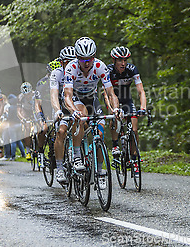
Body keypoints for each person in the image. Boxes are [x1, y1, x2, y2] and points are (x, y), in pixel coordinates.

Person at [62, 37, 123, 188]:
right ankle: (76, 156)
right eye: (83, 59)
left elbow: (110, 93)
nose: (87, 63)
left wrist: (115, 108)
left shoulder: (100, 66)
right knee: (80, 115)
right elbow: (67, 95)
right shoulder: (71, 68)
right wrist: (73, 111)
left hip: (92, 98)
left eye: (89, 58)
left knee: (100, 134)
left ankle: (100, 171)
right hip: (76, 98)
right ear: (77, 58)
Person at [103, 46, 148, 175]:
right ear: (114, 60)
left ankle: (134, 159)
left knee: (134, 129)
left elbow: (141, 90)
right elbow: (106, 94)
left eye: (125, 60)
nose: (123, 63)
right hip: (112, 99)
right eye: (120, 60)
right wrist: (112, 109)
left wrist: (143, 108)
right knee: (115, 118)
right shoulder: (108, 70)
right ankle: (115, 144)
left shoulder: (132, 69)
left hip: (127, 100)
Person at [49, 46, 77, 183]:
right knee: (61, 132)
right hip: (62, 105)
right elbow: (54, 95)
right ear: (62, 62)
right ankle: (60, 168)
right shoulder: (57, 73)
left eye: (73, 61)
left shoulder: (79, 71)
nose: (70, 64)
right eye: (67, 61)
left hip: (77, 103)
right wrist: (57, 110)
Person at [32, 59, 62, 166]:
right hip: (43, 107)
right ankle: (40, 151)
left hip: (55, 107)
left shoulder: (62, 79)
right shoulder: (42, 83)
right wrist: (40, 118)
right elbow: (37, 104)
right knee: (44, 129)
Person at [4, 94, 26, 160]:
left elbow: (9, 117)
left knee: (13, 141)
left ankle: (13, 156)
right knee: (19, 141)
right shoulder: (17, 107)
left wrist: (6, 115)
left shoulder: (10, 108)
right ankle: (23, 154)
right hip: (18, 124)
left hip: (12, 125)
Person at [17, 82, 35, 160]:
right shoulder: (20, 97)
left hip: (34, 110)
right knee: (27, 128)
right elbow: (18, 110)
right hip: (26, 111)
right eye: (25, 95)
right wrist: (22, 118)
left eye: (28, 94)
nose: (27, 96)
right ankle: (28, 151)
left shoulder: (35, 95)